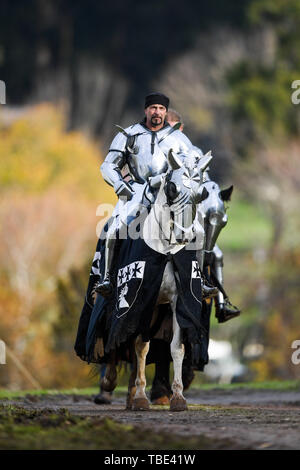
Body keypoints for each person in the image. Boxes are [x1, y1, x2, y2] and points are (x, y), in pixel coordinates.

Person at [96, 92, 217, 299]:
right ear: (146, 110)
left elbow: (191, 169)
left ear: (165, 112)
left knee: (198, 230)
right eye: (153, 108)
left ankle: (201, 280)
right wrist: (119, 184)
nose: (157, 112)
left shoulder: (179, 139)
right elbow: (107, 165)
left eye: (161, 109)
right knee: (114, 227)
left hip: (170, 196)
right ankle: (106, 278)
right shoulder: (129, 135)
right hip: (135, 192)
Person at [165, 108, 240, 322]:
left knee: (215, 254)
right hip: (159, 209)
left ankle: (222, 305)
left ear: (181, 129)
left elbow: (203, 181)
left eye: (174, 129)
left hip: (186, 212)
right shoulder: (157, 148)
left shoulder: (193, 151)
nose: (171, 134)